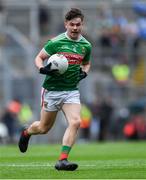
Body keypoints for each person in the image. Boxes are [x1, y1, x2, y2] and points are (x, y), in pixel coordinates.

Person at [18, 8, 92, 171]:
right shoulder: (56, 42)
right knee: (44, 128)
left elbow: (86, 63)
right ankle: (27, 132)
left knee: (76, 122)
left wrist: (84, 73)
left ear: (82, 25)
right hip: (51, 90)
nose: (74, 28)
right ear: (66, 24)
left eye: (78, 25)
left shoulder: (86, 45)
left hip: (71, 91)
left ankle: (62, 160)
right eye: (71, 24)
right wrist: (42, 69)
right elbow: (39, 57)